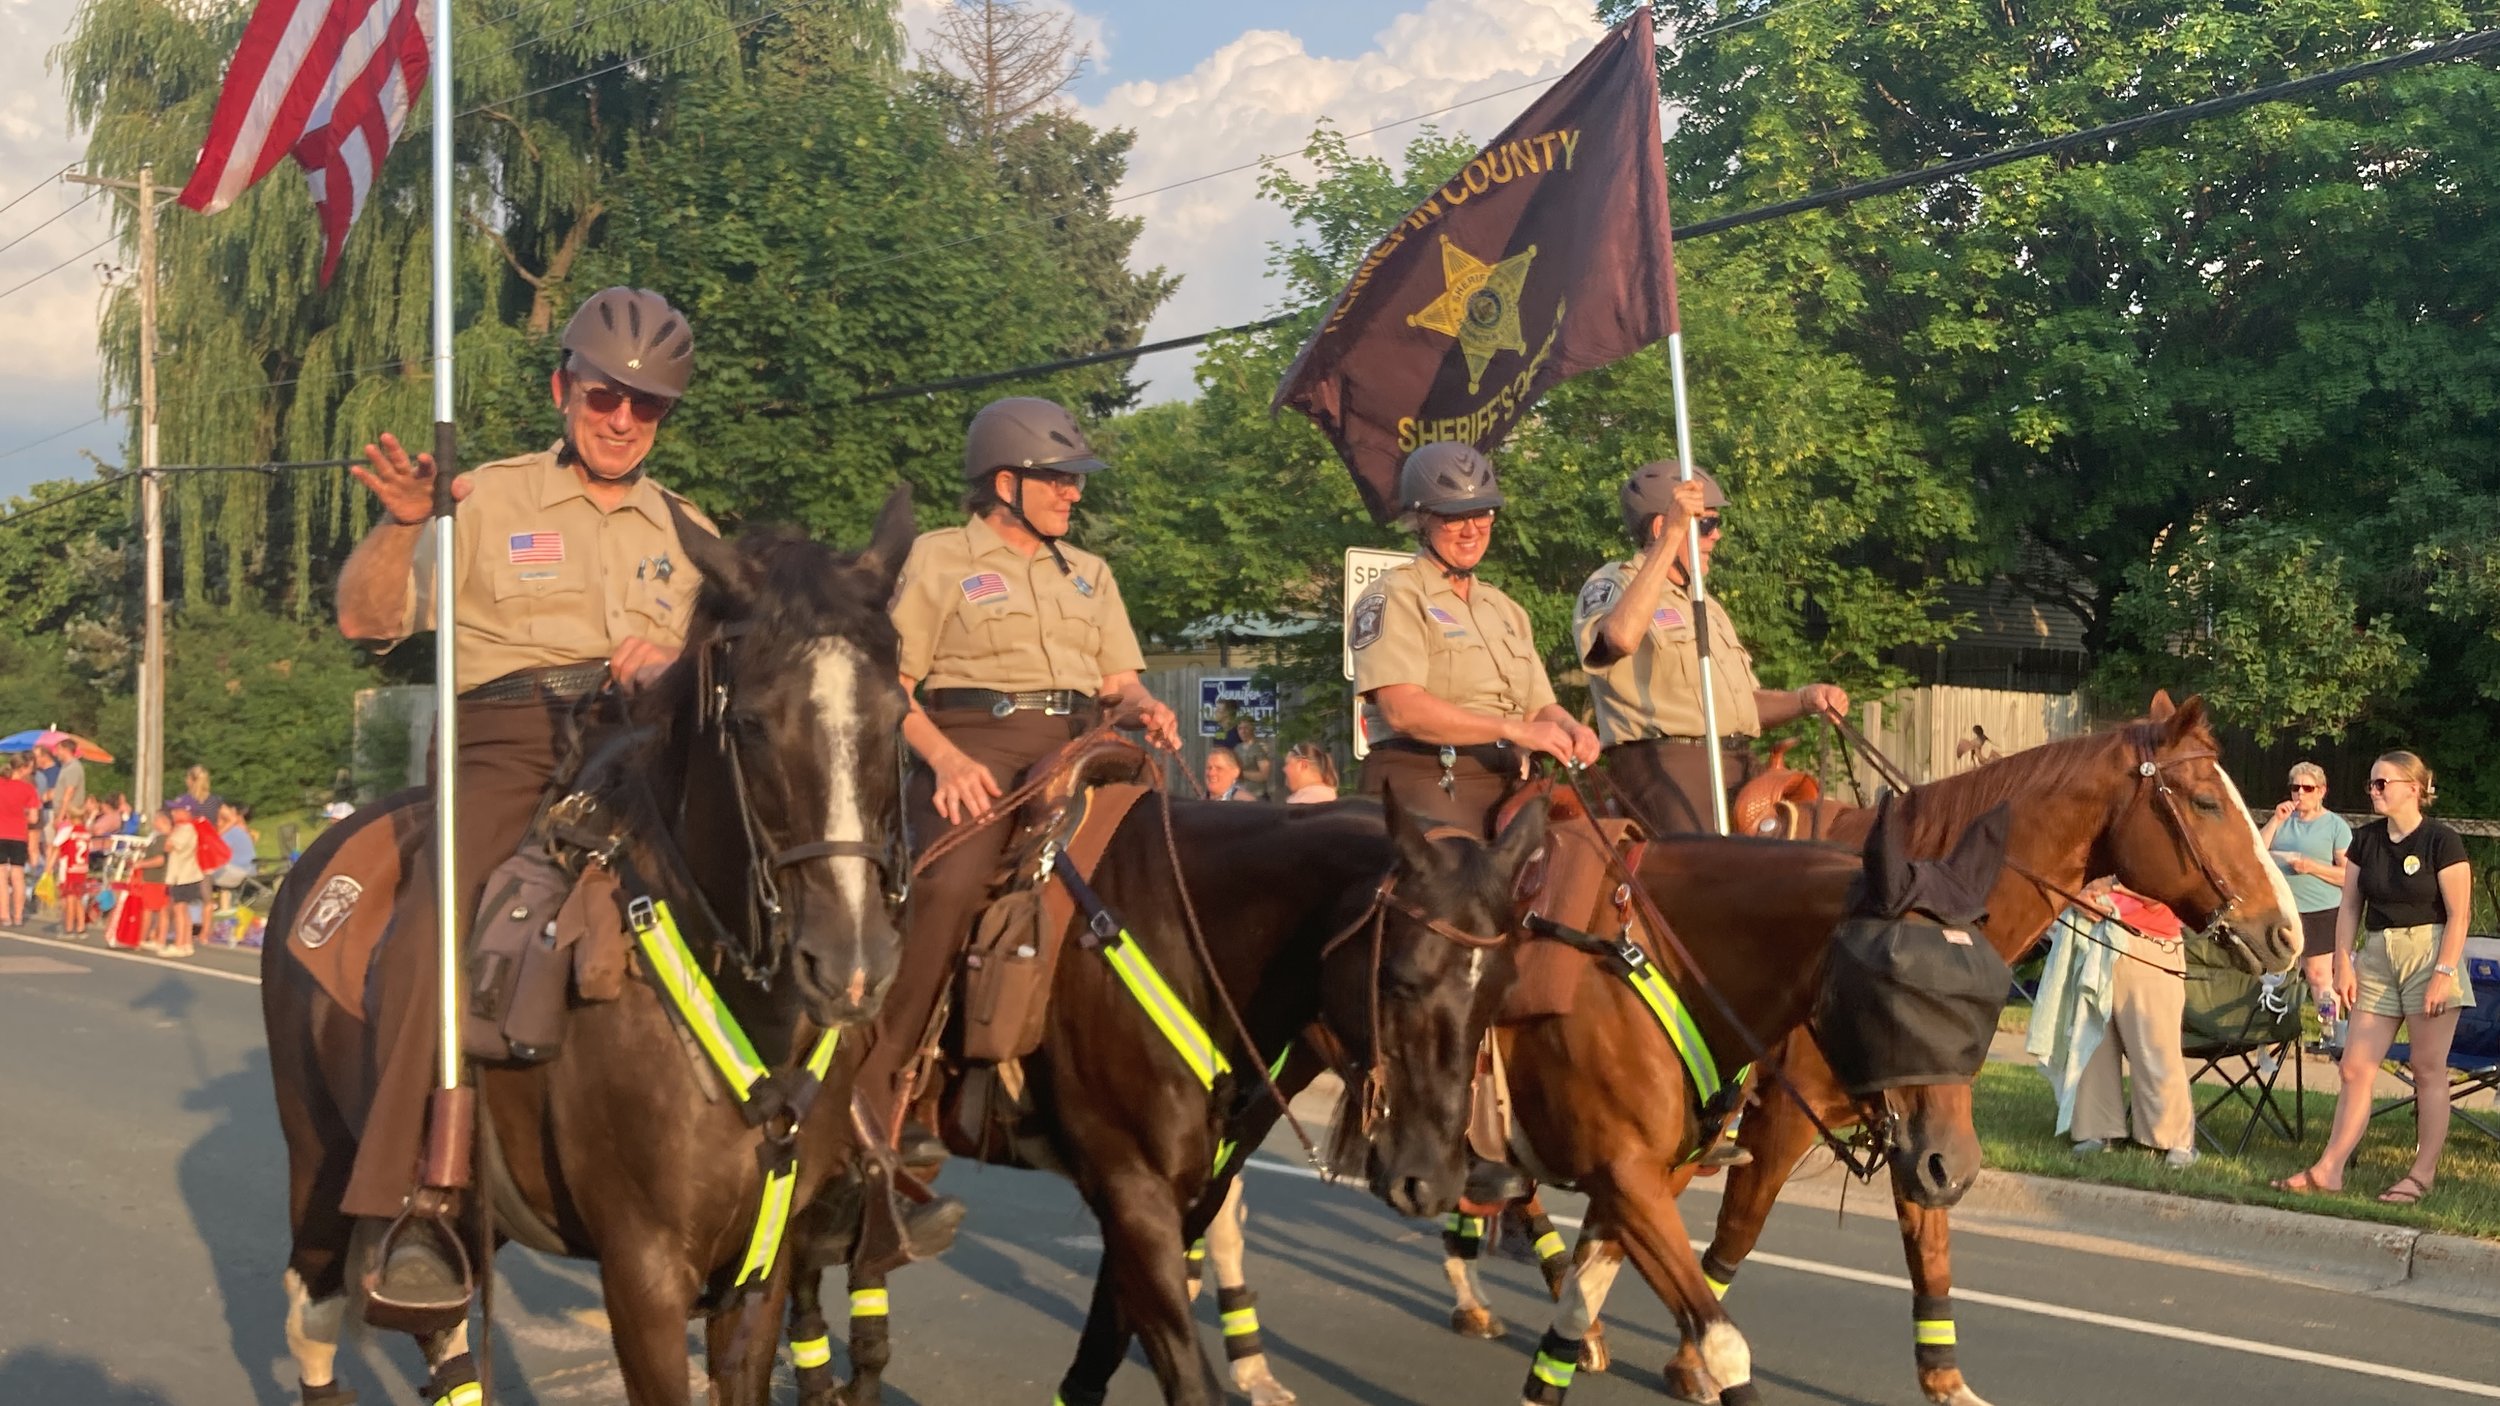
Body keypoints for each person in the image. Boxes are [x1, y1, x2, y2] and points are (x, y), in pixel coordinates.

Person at [330, 286, 717, 1312]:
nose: (624, 420)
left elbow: (724, 667)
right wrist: (401, 526)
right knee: (429, 925)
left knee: (787, 879)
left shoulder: (689, 528)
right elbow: (364, 621)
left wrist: (678, 657)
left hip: (642, 745)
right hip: (508, 740)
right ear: (563, 389)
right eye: (606, 396)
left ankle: (835, 1150)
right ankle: (412, 1193)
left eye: (649, 407)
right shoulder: (480, 498)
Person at [865, 394, 1180, 1249]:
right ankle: (884, 1097)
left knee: (1167, 865)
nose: (1073, 494)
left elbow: (1120, 677)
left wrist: (1147, 705)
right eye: (1058, 479)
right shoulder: (937, 558)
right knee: (949, 884)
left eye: (1074, 482)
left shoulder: (1091, 572)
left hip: (1083, 745)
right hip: (977, 747)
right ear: (1004, 482)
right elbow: (889, 686)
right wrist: (945, 759)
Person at [1575, 463, 1851, 834]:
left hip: (1737, 761)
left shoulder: (1706, 605)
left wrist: (1804, 700)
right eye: (1705, 525)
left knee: (1821, 841)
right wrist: (1672, 536)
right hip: (1665, 765)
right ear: (1662, 527)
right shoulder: (1615, 584)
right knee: (1708, 872)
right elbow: (1621, 638)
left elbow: (1742, 706)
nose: (1717, 535)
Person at [1349, 442, 1597, 835]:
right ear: (1421, 519)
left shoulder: (1505, 609)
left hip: (1510, 785)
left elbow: (1537, 709)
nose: (1471, 531)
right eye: (1453, 517)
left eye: (1482, 515)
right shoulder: (1394, 595)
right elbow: (1402, 710)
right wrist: (1511, 729)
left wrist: (1572, 729)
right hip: (1425, 782)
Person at [2277, 751, 2473, 1204]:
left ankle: (2420, 1175)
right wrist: (2345, 962)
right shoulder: (2365, 840)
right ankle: (2329, 1169)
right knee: (2355, 1067)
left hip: (2430, 951)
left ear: (2414, 787)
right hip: (2379, 954)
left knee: (2427, 1070)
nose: (2375, 790)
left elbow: (2461, 914)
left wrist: (2443, 972)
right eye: (2372, 784)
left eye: (2383, 783)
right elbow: (2349, 906)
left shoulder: (2442, 841)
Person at [2066, 881, 2197, 1169]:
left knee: (2154, 1047)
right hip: (2094, 938)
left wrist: (2114, 886)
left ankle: (2176, 1139)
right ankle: (2095, 1130)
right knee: (2092, 1044)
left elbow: (2168, 891)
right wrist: (2078, 896)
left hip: (2149, 942)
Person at [2260, 762, 2351, 1009]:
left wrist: (2311, 867)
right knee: (2274, 974)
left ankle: (2328, 1032)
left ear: (2321, 791)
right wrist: (2276, 820)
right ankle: (2273, 1030)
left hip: (2320, 910)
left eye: (2307, 788)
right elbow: (2255, 853)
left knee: (2318, 975)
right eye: (2295, 787)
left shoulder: (2335, 826)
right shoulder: (2282, 820)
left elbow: (2349, 875)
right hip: (2282, 911)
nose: (2300, 793)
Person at [158, 805, 204, 958]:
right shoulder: (188, 829)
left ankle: (179, 944)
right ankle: (186, 943)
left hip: (182, 876)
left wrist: (168, 832)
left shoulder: (185, 830)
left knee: (179, 910)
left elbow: (169, 846)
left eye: (176, 811)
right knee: (185, 911)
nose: (173, 813)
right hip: (189, 874)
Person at [0, 757, 39, 926]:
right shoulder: (29, 789)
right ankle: (18, 915)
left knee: (1, 876)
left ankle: (4, 915)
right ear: (23, 768)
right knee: (18, 876)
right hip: (19, 835)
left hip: (1, 833)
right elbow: (34, 818)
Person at [210, 801, 258, 907]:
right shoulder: (238, 830)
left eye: (217, 819)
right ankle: (222, 907)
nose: (215, 822)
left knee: (202, 875)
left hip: (240, 872)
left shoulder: (229, 832)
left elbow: (216, 855)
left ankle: (207, 905)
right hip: (248, 869)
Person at [1231, 718, 1274, 801]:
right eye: (1240, 728)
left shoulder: (1259, 748)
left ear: (1252, 729)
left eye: (1246, 728)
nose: (1243, 731)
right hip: (1240, 795)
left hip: (1257, 795)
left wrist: (1241, 774)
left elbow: (1264, 775)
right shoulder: (1237, 748)